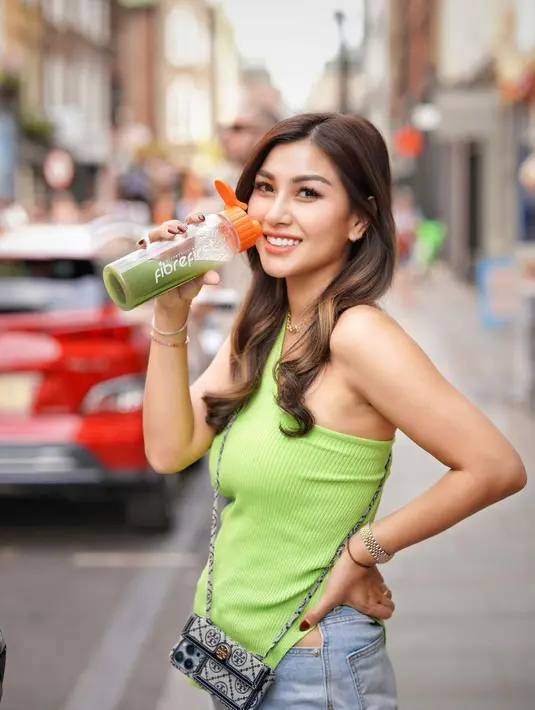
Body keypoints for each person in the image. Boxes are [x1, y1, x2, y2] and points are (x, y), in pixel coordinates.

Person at [142, 113, 527, 709]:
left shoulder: (359, 336)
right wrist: (171, 318)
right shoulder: (263, 323)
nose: (274, 213)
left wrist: (365, 549)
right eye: (265, 188)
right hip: (233, 659)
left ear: (359, 219)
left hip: (310, 673)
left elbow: (495, 466)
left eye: (308, 193)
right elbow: (169, 450)